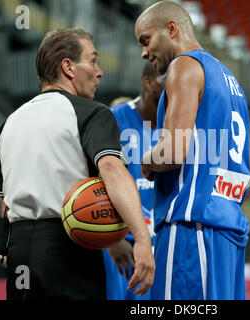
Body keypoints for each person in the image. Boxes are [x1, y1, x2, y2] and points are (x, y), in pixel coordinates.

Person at [0, 28, 154, 300]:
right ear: (68, 67)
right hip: (69, 248)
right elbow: (113, 172)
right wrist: (141, 239)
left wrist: (6, 250)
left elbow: (5, 203)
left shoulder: (7, 123)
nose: (99, 71)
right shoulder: (93, 112)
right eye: (92, 60)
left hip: (19, 252)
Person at [135, 1, 250, 300]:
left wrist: (146, 160)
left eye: (146, 40)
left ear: (171, 28)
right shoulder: (233, 83)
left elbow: (174, 151)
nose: (143, 52)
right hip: (229, 234)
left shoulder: (185, 65)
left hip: (190, 230)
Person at [103, 61, 164, 300]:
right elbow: (95, 182)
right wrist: (112, 240)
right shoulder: (113, 119)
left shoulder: (178, 123)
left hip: (162, 244)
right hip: (124, 245)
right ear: (148, 83)